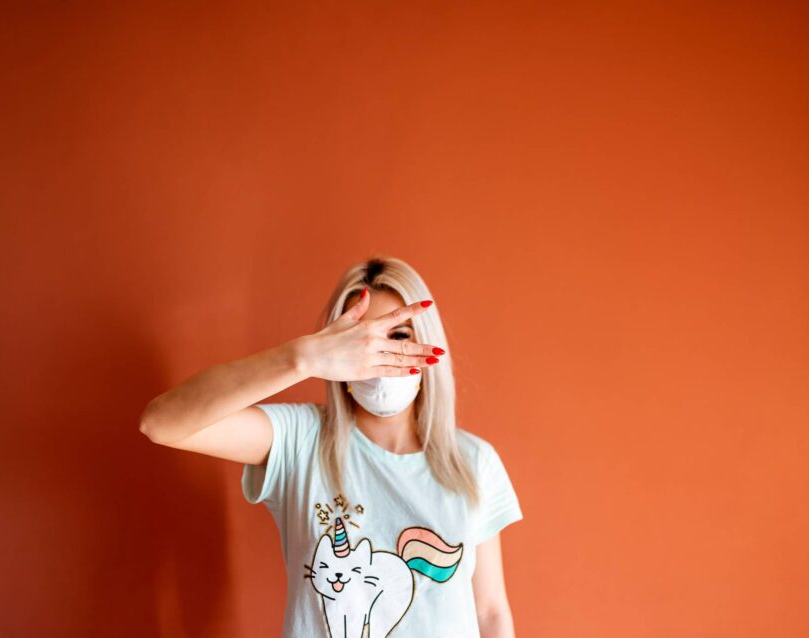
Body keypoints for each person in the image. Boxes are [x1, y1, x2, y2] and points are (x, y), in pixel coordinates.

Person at [140, 255, 524, 638]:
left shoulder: (475, 462)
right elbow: (161, 423)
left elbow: (489, 611)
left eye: (399, 335)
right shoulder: (300, 440)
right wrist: (302, 358)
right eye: (361, 339)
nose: (379, 354)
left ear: (427, 345)